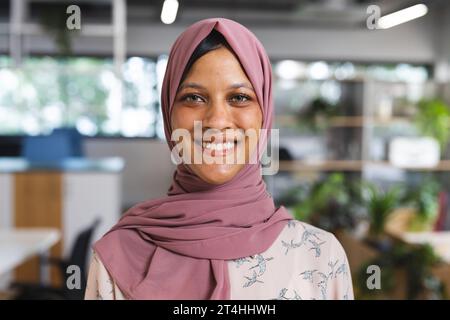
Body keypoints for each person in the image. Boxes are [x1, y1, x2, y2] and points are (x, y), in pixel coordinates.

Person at [85, 17, 354, 300]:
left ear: (264, 112)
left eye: (239, 98)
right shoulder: (116, 259)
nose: (216, 121)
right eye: (194, 98)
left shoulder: (321, 257)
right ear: (168, 113)